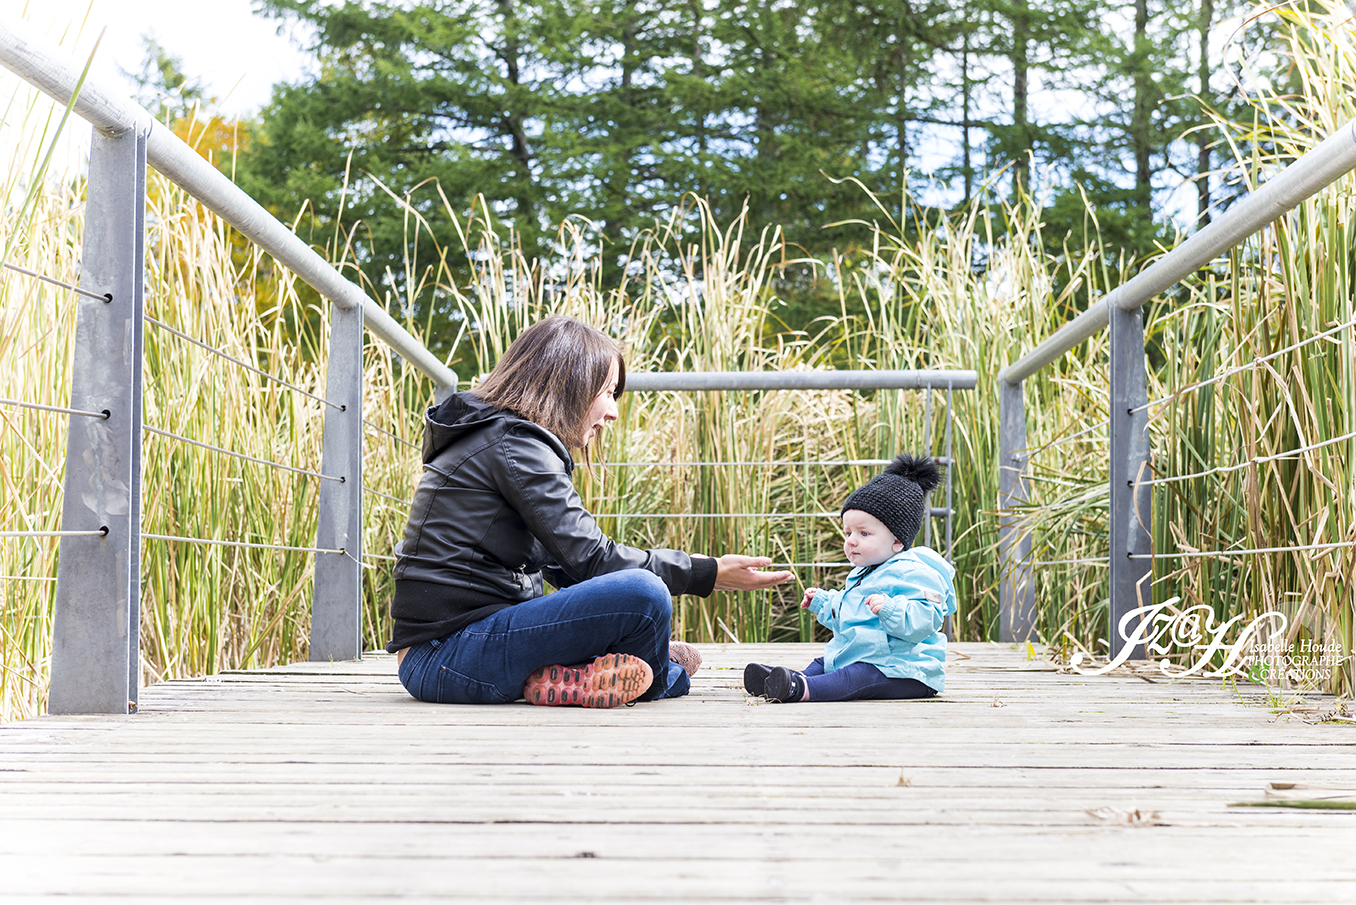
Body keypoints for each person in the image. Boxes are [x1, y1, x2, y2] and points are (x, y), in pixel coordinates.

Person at [388, 315, 793, 708]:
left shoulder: (501, 439)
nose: (613, 412)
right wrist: (704, 572)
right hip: (447, 657)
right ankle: (664, 672)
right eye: (608, 392)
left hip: (452, 650)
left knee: (635, 598)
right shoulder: (515, 446)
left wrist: (682, 577)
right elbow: (591, 558)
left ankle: (575, 675)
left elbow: (566, 568)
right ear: (570, 384)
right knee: (645, 594)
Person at [744, 453, 957, 703]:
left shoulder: (915, 572)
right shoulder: (864, 572)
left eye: (863, 533)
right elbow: (852, 616)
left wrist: (891, 610)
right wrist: (825, 603)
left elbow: (926, 619)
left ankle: (799, 688)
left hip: (904, 669)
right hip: (872, 657)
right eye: (848, 533)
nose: (851, 541)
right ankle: (790, 679)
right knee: (827, 661)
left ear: (898, 540)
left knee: (855, 677)